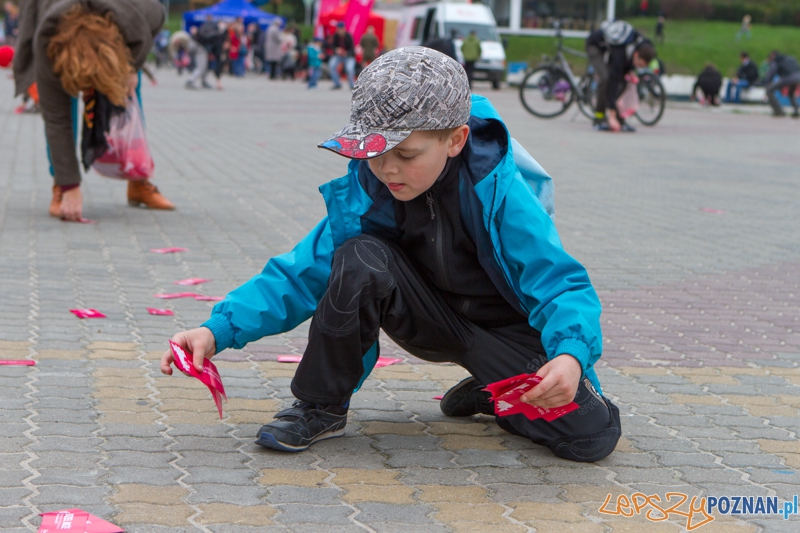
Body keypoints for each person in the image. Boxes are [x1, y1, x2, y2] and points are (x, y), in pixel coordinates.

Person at [161, 47, 621, 462]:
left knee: (588, 436)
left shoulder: (497, 189)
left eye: (406, 152)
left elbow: (560, 282)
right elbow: (302, 272)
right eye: (374, 151)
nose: (387, 168)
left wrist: (571, 355)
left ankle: (491, 392)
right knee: (358, 257)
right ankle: (321, 406)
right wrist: (214, 330)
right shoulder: (372, 188)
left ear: (455, 140)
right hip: (430, 320)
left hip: (503, 332)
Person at [13, 0, 174, 222]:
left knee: (127, 92)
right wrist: (70, 185)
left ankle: (138, 181)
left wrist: (131, 67)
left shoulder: (138, 15)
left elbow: (153, 24)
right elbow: (56, 119)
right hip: (56, 27)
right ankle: (61, 185)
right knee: (62, 106)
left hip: (117, 26)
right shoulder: (47, 42)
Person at [584, 20, 657, 132]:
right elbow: (614, 78)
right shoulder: (621, 52)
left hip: (610, 48)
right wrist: (611, 115)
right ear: (636, 55)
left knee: (624, 81)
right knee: (606, 78)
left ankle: (620, 119)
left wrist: (631, 71)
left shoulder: (643, 44)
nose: (639, 67)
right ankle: (599, 119)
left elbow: (635, 63)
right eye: (639, 64)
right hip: (595, 46)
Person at [762, 50, 800, 118]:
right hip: (797, 77)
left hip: (787, 78)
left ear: (773, 55)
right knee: (791, 93)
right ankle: (796, 111)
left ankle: (778, 111)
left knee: (769, 90)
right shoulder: (790, 58)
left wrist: (766, 82)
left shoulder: (777, 61)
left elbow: (772, 73)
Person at [329, 22, 355, 90]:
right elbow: (333, 46)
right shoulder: (335, 36)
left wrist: (346, 53)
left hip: (348, 56)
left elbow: (352, 49)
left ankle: (352, 84)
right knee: (332, 65)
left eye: (341, 29)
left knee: (349, 68)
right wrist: (336, 50)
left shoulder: (348, 36)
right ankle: (337, 83)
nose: (339, 31)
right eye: (338, 29)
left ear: (344, 29)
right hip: (339, 55)